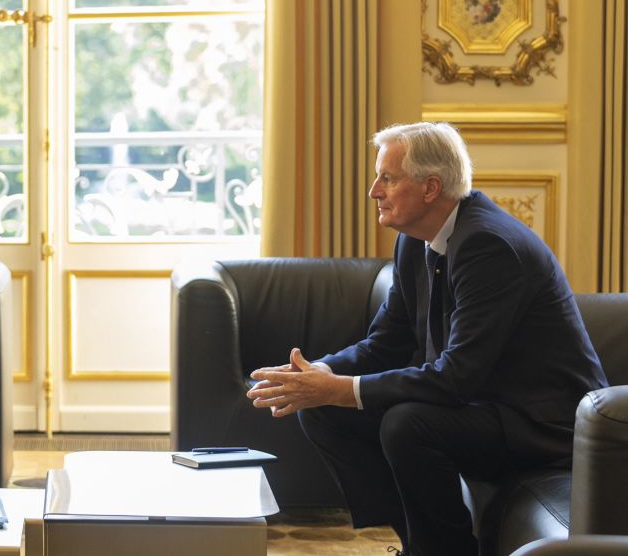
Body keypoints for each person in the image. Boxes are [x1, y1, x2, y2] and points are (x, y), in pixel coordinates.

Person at [246, 122, 607, 556]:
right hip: (487, 407)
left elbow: (456, 377)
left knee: (408, 423)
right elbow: (387, 342)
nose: (373, 191)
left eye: (388, 178)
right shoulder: (415, 242)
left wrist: (343, 389)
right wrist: (321, 374)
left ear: (431, 188)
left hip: (543, 425)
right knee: (322, 411)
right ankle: (416, 542)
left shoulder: (487, 246)